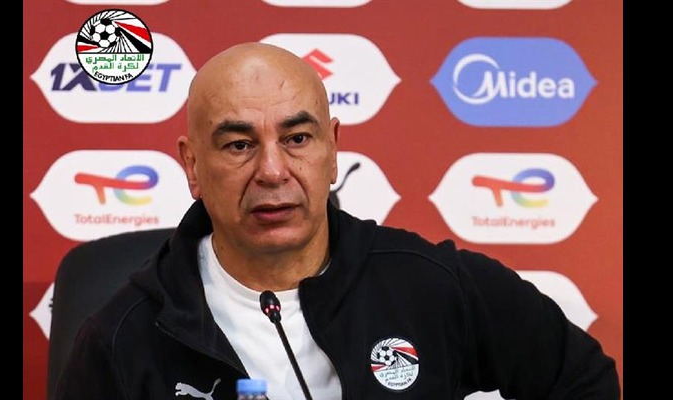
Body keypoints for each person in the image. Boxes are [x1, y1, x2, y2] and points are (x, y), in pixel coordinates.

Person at [53, 42, 621, 400]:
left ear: (332, 151)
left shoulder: (431, 284)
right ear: (193, 165)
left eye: (298, 139)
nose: (273, 171)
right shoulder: (122, 338)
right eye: (238, 145)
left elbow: (583, 380)